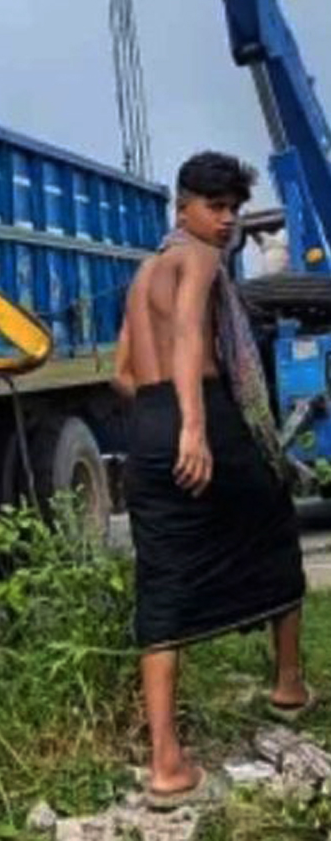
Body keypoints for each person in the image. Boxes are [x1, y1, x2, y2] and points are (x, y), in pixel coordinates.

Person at [114, 151, 310, 808]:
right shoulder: (196, 260)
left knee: (163, 580)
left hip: (145, 419)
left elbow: (121, 370)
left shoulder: (144, 272)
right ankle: (288, 684)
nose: (225, 222)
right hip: (198, 415)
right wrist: (194, 426)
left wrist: (161, 419)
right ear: (184, 207)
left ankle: (166, 764)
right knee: (277, 523)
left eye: (233, 210)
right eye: (214, 207)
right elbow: (191, 337)